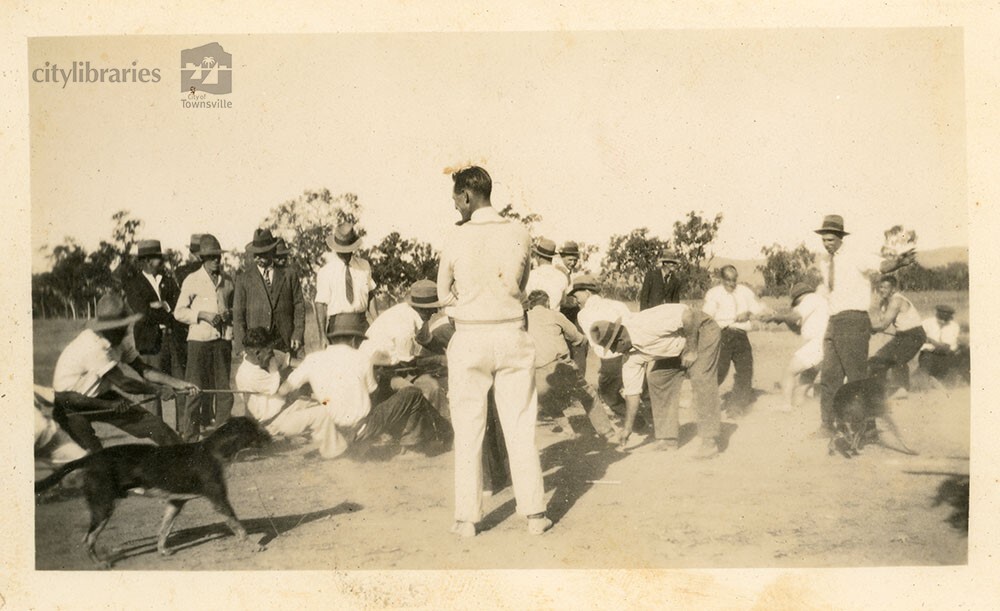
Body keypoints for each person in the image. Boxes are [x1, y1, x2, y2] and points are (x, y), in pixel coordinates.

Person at [437, 165, 551, 538]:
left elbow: (442, 295)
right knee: (520, 425)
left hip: (470, 337)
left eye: (456, 199)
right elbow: (523, 282)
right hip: (511, 334)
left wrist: (469, 306)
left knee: (469, 430)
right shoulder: (520, 231)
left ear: (467, 196)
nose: (455, 206)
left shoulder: (454, 238)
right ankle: (535, 514)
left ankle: (467, 520)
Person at [274, 316, 452, 460]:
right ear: (353, 339)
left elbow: (284, 389)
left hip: (332, 429)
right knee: (411, 393)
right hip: (360, 429)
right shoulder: (361, 358)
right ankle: (413, 444)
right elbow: (373, 394)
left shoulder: (312, 359)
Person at [51, 294, 197, 453]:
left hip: (102, 396)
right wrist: (159, 390)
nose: (127, 329)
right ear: (110, 328)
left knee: (157, 427)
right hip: (70, 404)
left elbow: (145, 370)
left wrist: (179, 384)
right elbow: (123, 383)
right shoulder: (93, 345)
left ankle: (187, 460)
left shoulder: (121, 340)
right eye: (122, 326)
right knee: (96, 457)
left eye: (126, 325)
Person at [813, 214, 915, 438]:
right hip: (834, 322)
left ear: (840, 237)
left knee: (856, 377)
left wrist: (899, 261)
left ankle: (868, 429)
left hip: (854, 321)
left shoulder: (856, 255)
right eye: (824, 239)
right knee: (829, 376)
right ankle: (827, 425)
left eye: (831, 239)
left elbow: (882, 266)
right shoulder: (825, 262)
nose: (826, 243)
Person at [590, 302, 722, 458]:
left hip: (699, 330)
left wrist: (692, 349)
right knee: (658, 378)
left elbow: (688, 316)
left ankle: (709, 441)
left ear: (620, 341)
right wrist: (627, 429)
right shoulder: (630, 357)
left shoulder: (645, 324)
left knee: (701, 378)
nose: (613, 352)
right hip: (676, 346)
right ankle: (667, 439)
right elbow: (632, 394)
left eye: (612, 348)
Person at [525, 290, 617, 443]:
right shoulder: (555, 315)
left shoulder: (525, 319)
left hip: (538, 371)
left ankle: (567, 428)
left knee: (546, 400)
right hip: (561, 366)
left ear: (530, 304)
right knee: (589, 396)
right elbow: (576, 337)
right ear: (547, 302)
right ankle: (606, 432)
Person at [234, 327, 340, 457]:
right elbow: (284, 389)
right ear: (257, 353)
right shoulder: (247, 375)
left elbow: (292, 362)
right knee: (323, 411)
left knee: (327, 403)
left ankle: (336, 436)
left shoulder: (266, 355)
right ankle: (334, 450)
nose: (272, 355)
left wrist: (318, 366)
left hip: (288, 408)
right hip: (272, 423)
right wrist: (314, 375)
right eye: (269, 353)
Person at [174, 233, 236, 441]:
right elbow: (179, 312)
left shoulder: (227, 281)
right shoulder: (192, 280)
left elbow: (235, 307)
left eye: (218, 257)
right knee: (195, 390)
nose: (216, 261)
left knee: (224, 391)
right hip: (199, 342)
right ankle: (190, 437)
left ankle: (221, 437)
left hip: (222, 342)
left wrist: (229, 314)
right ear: (203, 259)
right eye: (211, 257)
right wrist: (202, 315)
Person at [121, 239, 184, 420]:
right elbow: (144, 313)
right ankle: (156, 434)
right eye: (158, 258)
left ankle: (184, 433)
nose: (161, 261)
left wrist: (163, 306)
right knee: (153, 390)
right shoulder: (134, 284)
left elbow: (179, 305)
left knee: (180, 384)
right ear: (148, 260)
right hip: (150, 343)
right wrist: (167, 310)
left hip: (173, 339)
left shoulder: (169, 281)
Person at [362, 279, 447, 411]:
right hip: (377, 371)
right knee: (416, 393)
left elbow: (427, 340)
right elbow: (406, 364)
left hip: (394, 366)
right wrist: (439, 360)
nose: (435, 311)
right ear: (421, 307)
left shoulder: (418, 315)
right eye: (431, 308)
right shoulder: (404, 326)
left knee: (433, 388)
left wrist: (448, 352)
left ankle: (432, 428)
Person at [702, 265, 767, 415]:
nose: (731, 284)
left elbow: (758, 311)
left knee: (746, 370)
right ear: (721, 279)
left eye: (734, 280)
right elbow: (706, 318)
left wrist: (748, 314)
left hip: (741, 335)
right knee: (719, 371)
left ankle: (736, 407)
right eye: (728, 280)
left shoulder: (744, 291)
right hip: (722, 335)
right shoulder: (714, 294)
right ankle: (704, 402)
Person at [570, 274, 635, 421]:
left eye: (577, 295)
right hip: (631, 350)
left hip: (611, 359)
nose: (576, 299)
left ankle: (637, 422)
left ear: (587, 292)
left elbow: (595, 342)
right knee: (638, 388)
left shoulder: (583, 314)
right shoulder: (618, 304)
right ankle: (656, 423)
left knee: (608, 395)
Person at [233, 229, 305, 357]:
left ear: (272, 251)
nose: (257, 258)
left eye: (262, 254)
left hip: (285, 341)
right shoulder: (243, 279)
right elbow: (238, 315)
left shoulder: (289, 275)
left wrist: (297, 333)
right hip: (258, 345)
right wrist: (241, 346)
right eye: (255, 254)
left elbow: (299, 305)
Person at [767, 282, 829, 412]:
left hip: (816, 344)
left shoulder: (810, 299)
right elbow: (796, 328)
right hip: (824, 344)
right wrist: (783, 319)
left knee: (789, 372)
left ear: (798, 298)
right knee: (805, 379)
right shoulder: (819, 301)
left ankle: (786, 405)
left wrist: (777, 316)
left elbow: (795, 317)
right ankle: (801, 407)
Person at [314, 222, 376, 343]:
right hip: (337, 328)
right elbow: (320, 304)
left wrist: (377, 321)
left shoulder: (364, 265)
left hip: (361, 325)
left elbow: (371, 295)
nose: (345, 252)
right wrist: (322, 335)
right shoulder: (326, 271)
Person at [868, 275, 926, 397]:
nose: (882, 290)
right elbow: (879, 323)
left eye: (885, 287)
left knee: (897, 358)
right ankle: (877, 390)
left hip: (914, 334)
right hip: (902, 336)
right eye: (880, 287)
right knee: (877, 360)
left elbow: (883, 325)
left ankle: (902, 389)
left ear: (893, 289)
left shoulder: (896, 300)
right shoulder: (885, 302)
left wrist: (865, 327)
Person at [919, 304, 962, 385]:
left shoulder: (954, 326)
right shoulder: (926, 323)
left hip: (946, 355)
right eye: (940, 319)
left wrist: (930, 340)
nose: (943, 322)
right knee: (924, 369)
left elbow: (946, 347)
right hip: (928, 355)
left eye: (946, 320)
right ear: (936, 315)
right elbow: (919, 340)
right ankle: (925, 381)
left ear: (950, 318)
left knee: (945, 380)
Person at [525, 237, 569, 312]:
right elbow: (564, 302)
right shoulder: (562, 276)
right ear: (552, 257)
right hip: (553, 318)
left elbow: (525, 300)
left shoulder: (531, 275)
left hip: (534, 317)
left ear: (537, 257)